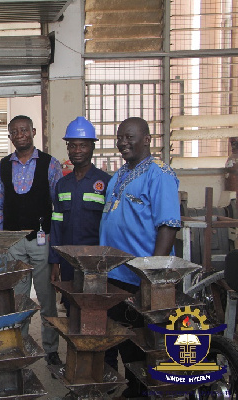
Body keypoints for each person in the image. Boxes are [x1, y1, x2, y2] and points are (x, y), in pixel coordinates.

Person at [100, 117, 181, 398]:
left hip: (140, 277)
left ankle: (141, 393)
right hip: (114, 274)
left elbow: (168, 226)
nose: (123, 143)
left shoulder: (160, 175)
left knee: (142, 342)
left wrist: (152, 276)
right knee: (122, 338)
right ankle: (131, 390)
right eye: (120, 137)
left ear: (147, 139)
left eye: (129, 137)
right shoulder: (119, 176)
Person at [0, 115, 63, 367]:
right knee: (18, 299)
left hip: (42, 241)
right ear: (10, 137)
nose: (20, 135)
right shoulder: (3, 166)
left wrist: (57, 243)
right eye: (15, 132)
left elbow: (58, 205)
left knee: (46, 299)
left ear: (33, 131)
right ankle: (19, 347)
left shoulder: (50, 164)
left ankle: (51, 350)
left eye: (24, 130)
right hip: (13, 244)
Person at [49, 117, 111, 314]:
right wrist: (54, 261)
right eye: (72, 146)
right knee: (70, 307)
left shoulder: (106, 183)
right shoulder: (62, 185)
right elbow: (56, 224)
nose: (77, 151)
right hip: (68, 262)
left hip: (96, 262)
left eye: (83, 146)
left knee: (95, 308)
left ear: (92, 147)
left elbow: (110, 226)